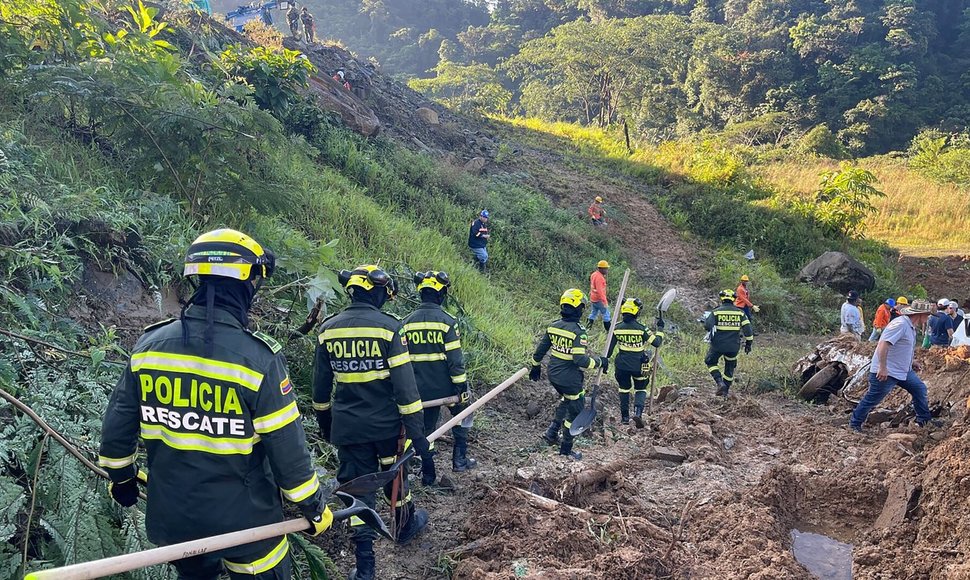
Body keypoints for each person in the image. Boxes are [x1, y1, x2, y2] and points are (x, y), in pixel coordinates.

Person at [99, 229, 331, 580]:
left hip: (175, 522)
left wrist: (121, 479)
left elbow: (117, 429)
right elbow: (288, 451)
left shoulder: (149, 348)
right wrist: (313, 507)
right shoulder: (259, 360)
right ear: (245, 284)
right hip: (247, 527)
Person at [313, 265, 430, 580]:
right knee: (395, 478)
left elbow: (320, 390)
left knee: (357, 490)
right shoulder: (389, 328)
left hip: (349, 429)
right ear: (378, 292)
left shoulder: (328, 329)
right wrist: (419, 437)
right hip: (387, 428)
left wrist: (326, 423)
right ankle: (404, 526)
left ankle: (365, 567)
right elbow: (406, 390)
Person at [402, 271, 475, 488]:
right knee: (464, 414)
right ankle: (459, 461)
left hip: (416, 390)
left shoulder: (405, 323)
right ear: (441, 294)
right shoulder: (447, 322)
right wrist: (462, 389)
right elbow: (455, 362)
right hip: (445, 390)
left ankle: (428, 472)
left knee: (426, 430)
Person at [530, 289, 607, 460]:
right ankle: (566, 449)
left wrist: (535, 366)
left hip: (553, 374)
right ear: (578, 308)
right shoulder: (579, 332)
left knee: (566, 400)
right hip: (569, 379)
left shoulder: (554, 326)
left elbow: (539, 351)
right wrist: (600, 362)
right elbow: (580, 360)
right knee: (575, 411)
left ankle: (551, 432)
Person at [850, 300, 937, 431]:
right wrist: (882, 367)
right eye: (927, 315)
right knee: (872, 399)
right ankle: (855, 424)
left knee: (919, 389)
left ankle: (924, 421)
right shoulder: (900, 325)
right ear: (920, 314)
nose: (928, 318)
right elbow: (883, 344)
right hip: (887, 371)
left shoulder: (910, 327)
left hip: (902, 370)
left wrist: (911, 362)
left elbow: (900, 348)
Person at [606, 298, 664, 426]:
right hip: (640, 365)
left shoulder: (616, 328)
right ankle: (638, 414)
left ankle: (625, 418)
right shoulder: (642, 329)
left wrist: (603, 363)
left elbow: (608, 351)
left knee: (624, 389)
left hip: (621, 366)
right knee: (641, 388)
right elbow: (657, 342)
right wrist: (660, 329)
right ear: (636, 312)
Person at [704, 289, 753, 397]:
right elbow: (748, 330)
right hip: (733, 346)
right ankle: (725, 391)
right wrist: (749, 343)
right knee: (730, 366)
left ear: (722, 299)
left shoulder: (716, 312)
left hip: (717, 345)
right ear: (734, 300)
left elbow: (707, 326)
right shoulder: (740, 313)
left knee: (710, 361)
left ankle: (719, 383)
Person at [587, 260, 611, 332]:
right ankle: (609, 331)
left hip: (593, 298)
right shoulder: (599, 278)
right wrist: (605, 302)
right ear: (601, 269)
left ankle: (588, 328)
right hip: (599, 299)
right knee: (606, 314)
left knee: (593, 313)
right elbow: (600, 291)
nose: (607, 270)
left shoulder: (594, 274)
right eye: (606, 268)